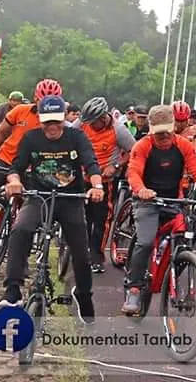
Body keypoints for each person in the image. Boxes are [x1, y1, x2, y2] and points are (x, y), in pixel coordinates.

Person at [0, 95, 103, 325]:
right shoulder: (31, 138)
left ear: (65, 119)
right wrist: (14, 181)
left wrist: (97, 185)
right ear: (40, 121)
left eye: (57, 121)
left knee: (81, 252)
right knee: (20, 229)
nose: (52, 127)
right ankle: (13, 289)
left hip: (70, 199)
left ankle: (83, 294)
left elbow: (91, 162)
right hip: (39, 197)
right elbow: (16, 166)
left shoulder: (77, 137)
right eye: (47, 122)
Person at [121, 105, 196, 315]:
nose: (164, 137)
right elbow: (133, 173)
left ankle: (173, 272)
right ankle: (134, 288)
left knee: (183, 240)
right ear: (152, 130)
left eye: (167, 132)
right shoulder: (142, 146)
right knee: (144, 242)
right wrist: (141, 190)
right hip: (147, 202)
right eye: (159, 133)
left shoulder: (183, 145)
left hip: (174, 201)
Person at [0, 79, 63, 225]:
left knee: (31, 209)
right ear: (35, 98)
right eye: (42, 100)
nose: (46, 105)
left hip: (33, 168)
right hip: (6, 159)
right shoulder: (21, 110)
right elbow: (0, 132)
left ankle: (8, 231)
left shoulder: (59, 122)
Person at [72, 96, 136, 273]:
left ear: (103, 118)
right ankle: (78, 250)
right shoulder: (82, 122)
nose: (90, 126)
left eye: (94, 123)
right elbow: (67, 136)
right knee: (81, 217)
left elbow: (134, 151)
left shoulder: (119, 130)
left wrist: (115, 166)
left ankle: (97, 256)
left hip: (105, 180)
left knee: (101, 220)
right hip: (82, 177)